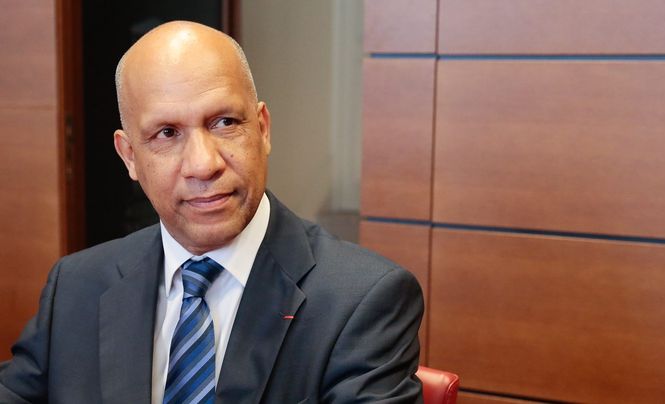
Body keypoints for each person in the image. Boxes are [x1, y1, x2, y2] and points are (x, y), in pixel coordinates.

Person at [0, 21, 423, 403]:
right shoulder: (75, 287)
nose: (204, 164)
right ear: (129, 156)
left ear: (263, 129)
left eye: (224, 122)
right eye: (167, 133)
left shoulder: (365, 302)